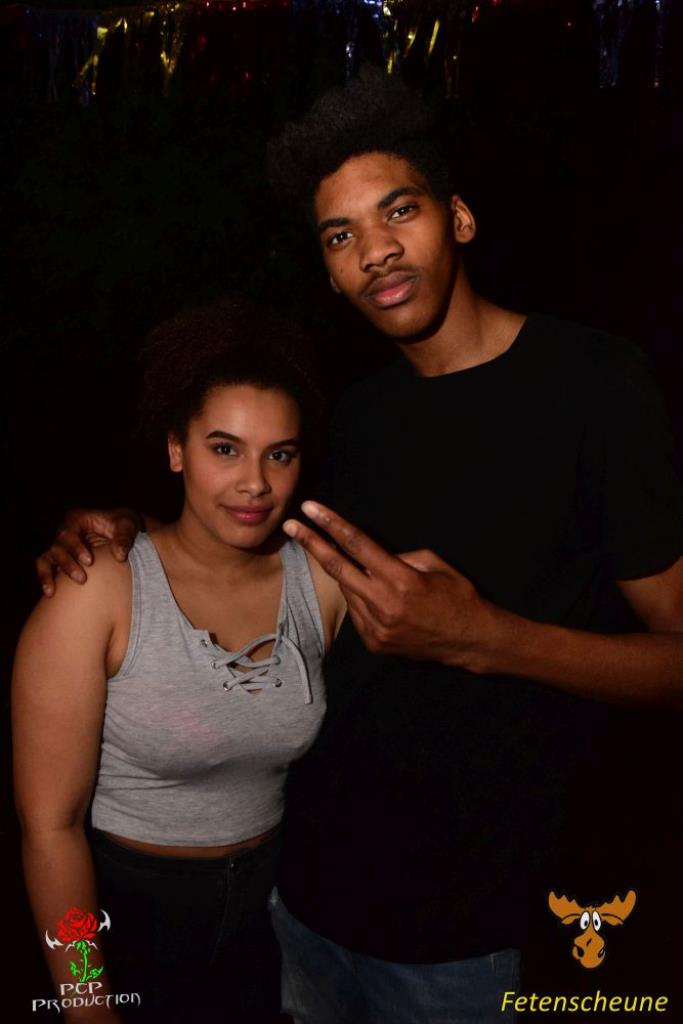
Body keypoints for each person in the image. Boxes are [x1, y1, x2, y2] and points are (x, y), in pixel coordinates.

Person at [36, 68, 683, 1023]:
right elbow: (241, 534)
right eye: (339, 236)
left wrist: (486, 637)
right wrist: (127, 529)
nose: (374, 250)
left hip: (467, 938)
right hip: (303, 910)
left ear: (458, 218)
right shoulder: (350, 420)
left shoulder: (598, 386)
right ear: (330, 272)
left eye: (398, 212)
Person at [13, 298, 345, 1024]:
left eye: (279, 454)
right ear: (176, 451)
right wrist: (86, 1001)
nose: (254, 482)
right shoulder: (98, 589)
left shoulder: (320, 582)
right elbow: (49, 830)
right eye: (224, 449)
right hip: (127, 918)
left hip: (266, 920)